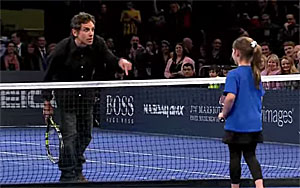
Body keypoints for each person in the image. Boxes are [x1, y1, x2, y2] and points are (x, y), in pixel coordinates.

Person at [42, 12, 132, 183]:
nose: (91, 33)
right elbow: (48, 76)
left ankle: (74, 167)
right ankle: (69, 174)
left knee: (85, 136)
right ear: (75, 32)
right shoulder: (61, 49)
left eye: (92, 29)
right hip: (67, 99)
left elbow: (109, 58)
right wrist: (47, 102)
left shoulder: (98, 43)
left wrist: (120, 61)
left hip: (86, 99)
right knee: (69, 137)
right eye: (86, 30)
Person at [218, 37, 264, 188]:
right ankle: (259, 186)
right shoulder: (256, 74)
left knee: (234, 157)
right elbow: (259, 98)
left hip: (236, 125)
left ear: (236, 53)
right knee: (251, 156)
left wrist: (223, 113)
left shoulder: (233, 74)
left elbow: (230, 97)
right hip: (254, 125)